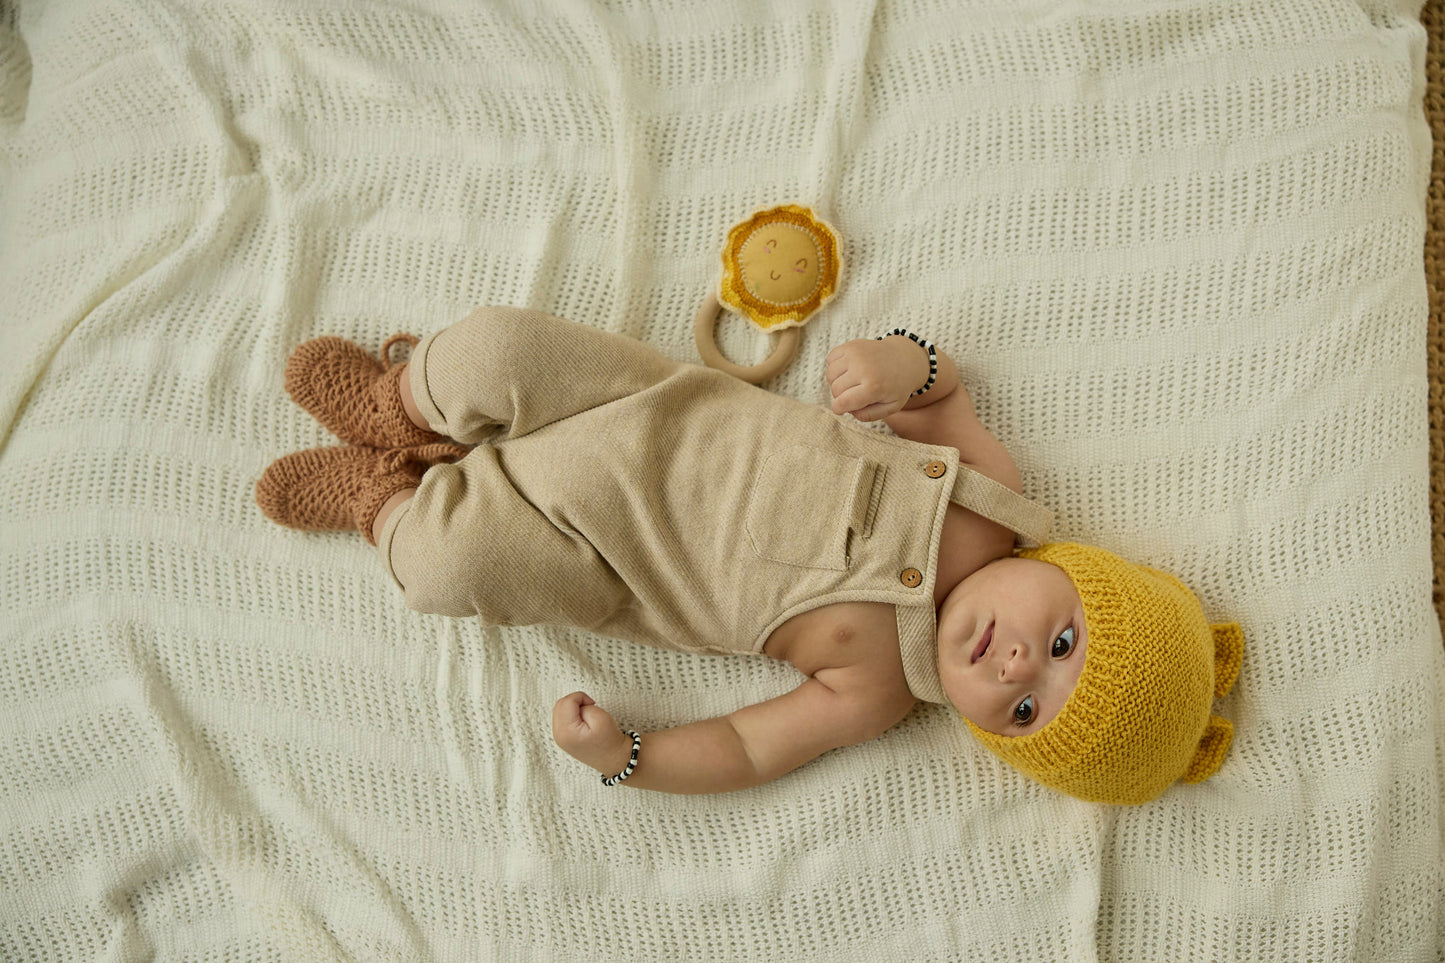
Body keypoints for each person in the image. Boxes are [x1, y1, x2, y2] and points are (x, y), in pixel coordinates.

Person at [257, 307, 1241, 805]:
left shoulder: (875, 691)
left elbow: (745, 746)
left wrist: (628, 757)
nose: (1017, 668)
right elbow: (943, 388)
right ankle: (403, 407)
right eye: (1063, 641)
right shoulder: (991, 502)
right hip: (641, 407)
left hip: (604, 553)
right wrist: (900, 366)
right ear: (1074, 570)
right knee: (488, 348)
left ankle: (382, 499)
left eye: (1024, 713)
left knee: (446, 568)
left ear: (993, 736)